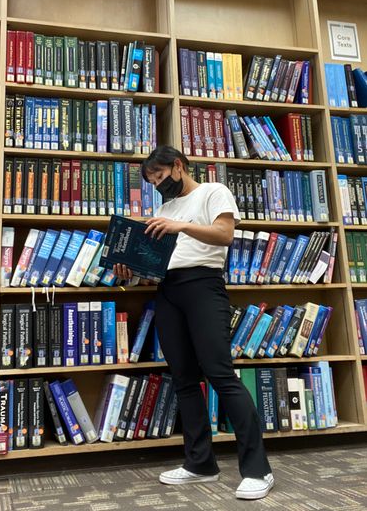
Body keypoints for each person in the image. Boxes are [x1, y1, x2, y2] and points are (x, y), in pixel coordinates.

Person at [113, 145, 273, 501]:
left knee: (220, 374)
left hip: (203, 285)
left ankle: (258, 469)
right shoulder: (165, 208)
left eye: (159, 176)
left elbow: (224, 235)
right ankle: (200, 464)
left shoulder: (213, 191)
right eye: (151, 181)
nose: (157, 184)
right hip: (168, 290)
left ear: (178, 166)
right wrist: (132, 269)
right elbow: (159, 263)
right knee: (184, 379)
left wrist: (181, 225)